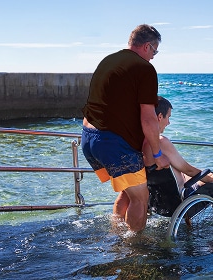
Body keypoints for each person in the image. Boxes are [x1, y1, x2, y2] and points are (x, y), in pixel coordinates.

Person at [81, 24, 170, 233]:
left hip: (89, 138)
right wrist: (158, 154)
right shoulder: (144, 68)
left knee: (127, 191)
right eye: (155, 51)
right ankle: (134, 250)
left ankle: (117, 234)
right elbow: (149, 118)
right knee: (141, 197)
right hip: (112, 143)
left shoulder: (109, 61)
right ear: (147, 46)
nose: (154, 57)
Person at [143, 96, 213, 195]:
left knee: (201, 173)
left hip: (162, 197)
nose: (168, 122)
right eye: (168, 117)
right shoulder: (162, 142)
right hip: (184, 194)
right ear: (160, 117)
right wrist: (210, 178)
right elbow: (188, 170)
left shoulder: (141, 144)